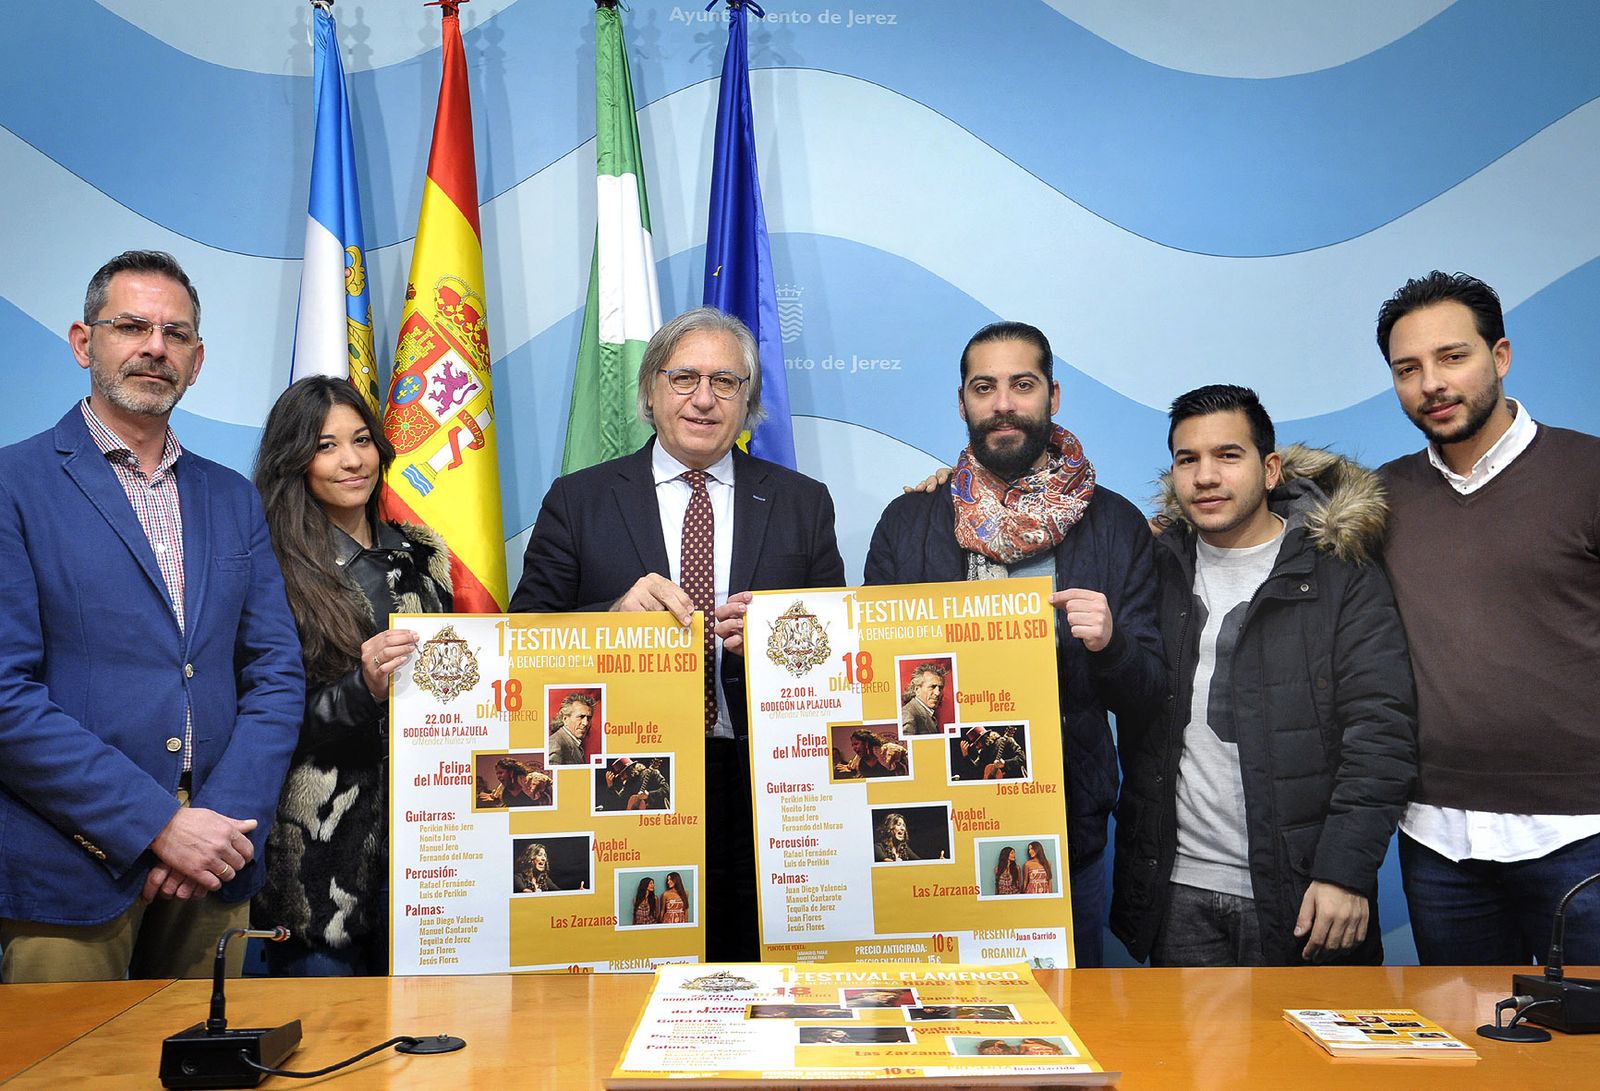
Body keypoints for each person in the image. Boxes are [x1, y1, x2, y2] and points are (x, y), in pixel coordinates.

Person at [0, 251, 304, 982]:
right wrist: (157, 824)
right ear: (83, 342)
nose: (154, 348)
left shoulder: (231, 496)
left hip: (215, 865)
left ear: (197, 360)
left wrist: (217, 825)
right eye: (131, 326)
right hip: (69, 868)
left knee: (209, 1070)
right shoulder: (14, 484)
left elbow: (276, 672)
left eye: (175, 334)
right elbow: (6, 695)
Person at [509, 307, 844, 960]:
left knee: (755, 975)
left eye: (726, 382)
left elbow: (839, 654)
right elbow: (523, 640)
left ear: (747, 399)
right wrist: (608, 621)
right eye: (685, 376)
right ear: (650, 390)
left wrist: (785, 646)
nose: (704, 398)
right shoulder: (579, 500)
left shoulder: (803, 503)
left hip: (762, 787)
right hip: (624, 781)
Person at [865, 321, 1164, 966]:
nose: (1003, 403)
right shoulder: (911, 518)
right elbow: (871, 679)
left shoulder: (1114, 525)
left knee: (1061, 1033)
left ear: (1052, 397)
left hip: (1063, 827)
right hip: (930, 830)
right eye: (985, 387)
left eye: (1022, 385)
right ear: (963, 402)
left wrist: (1110, 644)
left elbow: (1150, 693)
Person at [1111, 385, 1417, 967]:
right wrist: (945, 492)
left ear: (1270, 468)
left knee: (1308, 1060)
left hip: (1306, 896)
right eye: (1187, 459)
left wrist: (1345, 873)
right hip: (1176, 894)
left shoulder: (1340, 575)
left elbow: (1381, 733)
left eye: (1228, 455)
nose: (1205, 476)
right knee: (1186, 1062)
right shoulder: (1155, 567)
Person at [1374, 272, 1600, 965]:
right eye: (1408, 369)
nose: (1432, 383)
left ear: (1499, 356)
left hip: (1581, 835)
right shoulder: (1382, 498)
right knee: (1469, 1053)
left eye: (1452, 357)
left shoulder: (1587, 471)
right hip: (1439, 839)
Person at [249, 376, 452, 976]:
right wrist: (361, 689)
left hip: (433, 839)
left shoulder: (423, 555)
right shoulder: (272, 564)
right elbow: (266, 715)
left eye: (361, 440)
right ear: (295, 461)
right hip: (321, 850)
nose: (351, 460)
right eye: (326, 445)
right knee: (327, 1046)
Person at [961, 726, 1027, 779]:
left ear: (985, 738)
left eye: (977, 743)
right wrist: (966, 756)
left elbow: (1022, 757)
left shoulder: (1006, 741)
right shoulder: (983, 753)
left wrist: (1005, 763)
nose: (977, 747)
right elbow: (975, 771)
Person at [899, 663, 947, 735]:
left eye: (940, 688)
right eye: (932, 687)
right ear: (917, 689)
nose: (937, 693)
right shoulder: (908, 714)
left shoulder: (927, 712)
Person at [547, 692, 594, 766]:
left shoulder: (575, 743)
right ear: (565, 719)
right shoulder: (555, 743)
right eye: (580, 717)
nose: (586, 723)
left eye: (589, 718)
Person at [479, 757, 545, 808]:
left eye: (501, 773)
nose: (498, 777)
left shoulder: (531, 782)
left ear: (511, 772)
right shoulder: (502, 791)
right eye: (497, 774)